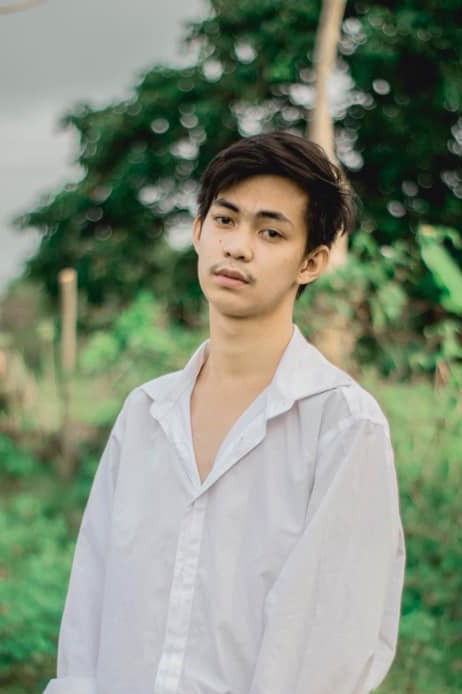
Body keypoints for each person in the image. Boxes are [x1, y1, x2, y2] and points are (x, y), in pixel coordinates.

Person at [43, 131, 406, 694]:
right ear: (198, 232)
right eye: (225, 220)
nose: (238, 247)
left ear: (311, 262)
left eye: (271, 232)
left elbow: (330, 645)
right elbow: (90, 604)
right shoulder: (146, 414)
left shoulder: (342, 426)